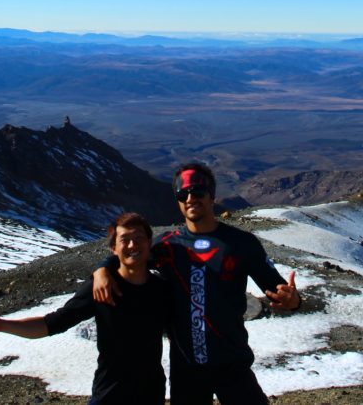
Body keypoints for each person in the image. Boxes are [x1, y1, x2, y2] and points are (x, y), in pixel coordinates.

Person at [93, 162, 300, 405]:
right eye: (183, 194)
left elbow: (279, 290)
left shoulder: (242, 243)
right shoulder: (167, 246)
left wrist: (293, 300)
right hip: (186, 369)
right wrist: (102, 269)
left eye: (198, 192)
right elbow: (128, 255)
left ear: (212, 196)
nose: (190, 198)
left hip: (232, 363)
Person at [0, 212, 169, 405]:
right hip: (110, 396)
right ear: (114, 248)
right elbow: (54, 323)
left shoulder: (162, 289)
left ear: (149, 243)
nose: (132, 245)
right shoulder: (101, 288)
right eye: (125, 240)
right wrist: (1, 325)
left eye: (138, 238)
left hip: (151, 396)